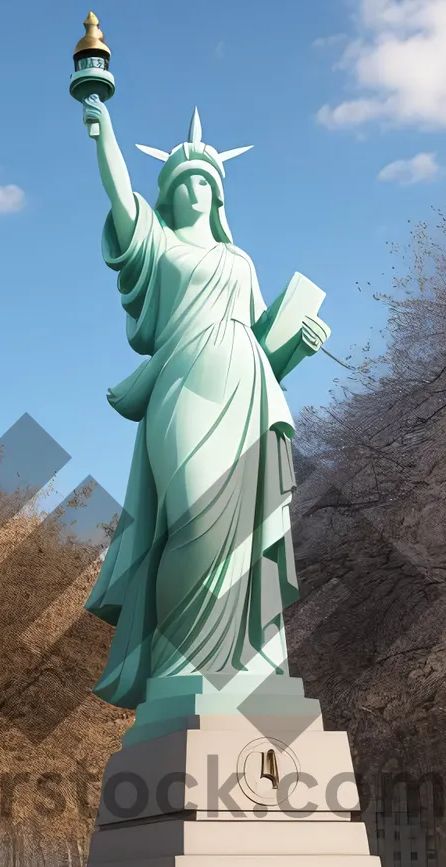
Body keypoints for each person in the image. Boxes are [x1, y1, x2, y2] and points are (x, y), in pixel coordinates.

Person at [77, 101, 329, 707]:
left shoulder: (240, 260)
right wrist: (102, 123)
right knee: (189, 519)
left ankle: (243, 669)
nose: (194, 190)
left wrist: (300, 342)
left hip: (247, 389)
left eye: (204, 183)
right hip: (181, 389)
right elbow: (119, 193)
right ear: (167, 194)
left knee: (238, 534)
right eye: (183, 181)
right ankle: (178, 669)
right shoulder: (158, 247)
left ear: (218, 198)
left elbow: (265, 341)